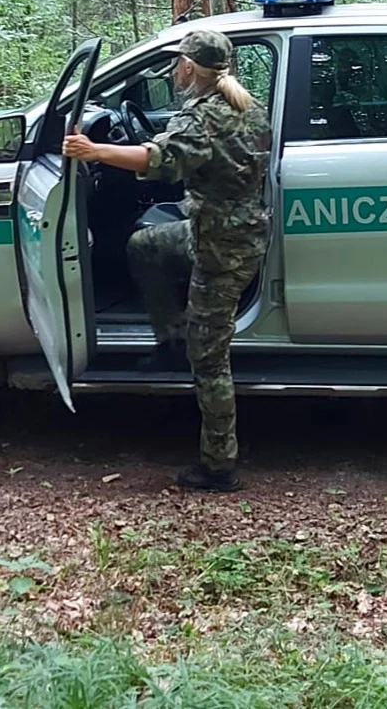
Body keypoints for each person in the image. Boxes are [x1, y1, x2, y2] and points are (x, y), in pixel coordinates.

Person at [61, 30, 270, 492]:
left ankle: (219, 466)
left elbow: (159, 160)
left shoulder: (205, 116)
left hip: (221, 249)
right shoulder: (245, 105)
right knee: (145, 246)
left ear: (191, 68)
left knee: (210, 358)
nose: (175, 69)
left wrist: (93, 151)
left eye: (179, 63)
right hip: (219, 232)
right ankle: (171, 337)